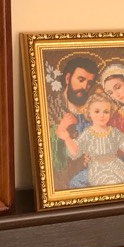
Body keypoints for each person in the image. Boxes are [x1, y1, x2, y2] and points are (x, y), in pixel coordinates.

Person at [68, 94, 124, 188]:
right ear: (89, 113)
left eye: (106, 112)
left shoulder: (113, 132)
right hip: (98, 168)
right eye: (97, 111)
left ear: (110, 113)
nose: (102, 115)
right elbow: (76, 151)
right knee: (112, 183)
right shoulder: (87, 134)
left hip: (116, 165)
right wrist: (66, 138)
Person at [52, 54, 101, 185]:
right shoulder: (53, 106)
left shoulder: (92, 110)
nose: (84, 87)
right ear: (68, 78)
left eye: (89, 83)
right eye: (81, 79)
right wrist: (59, 131)